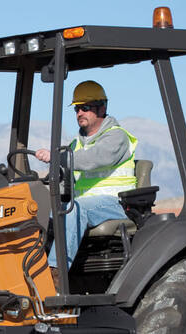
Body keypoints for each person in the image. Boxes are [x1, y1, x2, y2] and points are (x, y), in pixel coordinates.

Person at [34, 80, 137, 288]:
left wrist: (57, 158)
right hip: (87, 206)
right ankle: (32, 267)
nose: (80, 112)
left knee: (74, 209)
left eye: (86, 108)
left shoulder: (116, 137)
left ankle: (55, 276)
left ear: (102, 108)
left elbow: (93, 159)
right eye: (77, 109)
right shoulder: (76, 144)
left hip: (117, 204)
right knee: (40, 213)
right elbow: (67, 180)